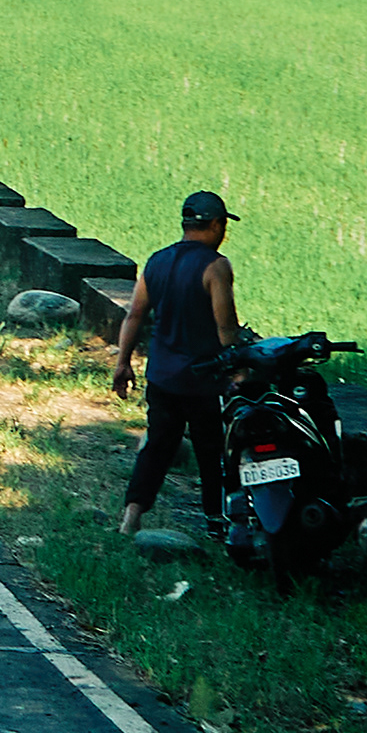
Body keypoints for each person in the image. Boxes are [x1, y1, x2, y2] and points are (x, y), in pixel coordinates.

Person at [112, 189, 244, 538]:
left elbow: (134, 314)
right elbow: (225, 327)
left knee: (157, 447)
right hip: (202, 379)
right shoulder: (216, 266)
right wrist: (238, 368)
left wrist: (122, 363)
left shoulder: (157, 261)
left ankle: (131, 517)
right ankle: (217, 522)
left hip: (162, 376)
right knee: (211, 450)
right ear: (216, 225)